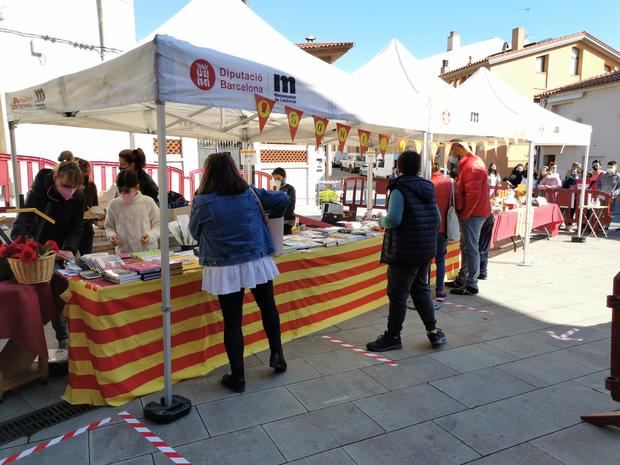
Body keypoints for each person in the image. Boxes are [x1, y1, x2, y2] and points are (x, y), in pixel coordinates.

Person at [190, 152, 290, 393]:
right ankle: (277, 355)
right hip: (256, 259)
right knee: (268, 307)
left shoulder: (203, 200)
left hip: (224, 265)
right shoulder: (250, 192)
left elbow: (194, 232)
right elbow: (282, 200)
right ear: (234, 169)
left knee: (232, 321)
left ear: (208, 173)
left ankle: (238, 376)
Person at [366, 151, 446, 352]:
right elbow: (437, 219)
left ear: (399, 167)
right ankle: (433, 332)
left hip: (404, 251)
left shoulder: (399, 189)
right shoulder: (428, 187)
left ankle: (393, 336)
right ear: (418, 168)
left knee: (398, 294)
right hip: (424, 249)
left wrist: (380, 221)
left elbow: (393, 220)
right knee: (421, 290)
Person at [11, 158, 85, 349]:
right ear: (55, 177)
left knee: (74, 287)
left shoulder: (77, 197)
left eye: (74, 187)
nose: (70, 191)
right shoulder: (39, 191)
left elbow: (76, 228)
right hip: (41, 247)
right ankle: (63, 338)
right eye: (66, 185)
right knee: (54, 290)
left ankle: (78, 334)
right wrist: (25, 244)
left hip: (64, 248)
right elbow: (25, 218)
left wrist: (69, 249)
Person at [446, 141, 491, 296]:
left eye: (452, 150)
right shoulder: (470, 163)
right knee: (466, 246)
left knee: (471, 248)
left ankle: (471, 284)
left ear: (459, 148)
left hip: (473, 213)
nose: (451, 154)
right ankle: (463, 277)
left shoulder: (472, 166)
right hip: (472, 212)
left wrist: (465, 214)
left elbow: (474, 195)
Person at [104, 170, 160, 254]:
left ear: (137, 187)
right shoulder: (114, 204)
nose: (123, 194)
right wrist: (112, 236)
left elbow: (159, 225)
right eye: (120, 191)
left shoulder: (148, 202)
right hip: (124, 254)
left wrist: (150, 236)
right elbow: (109, 226)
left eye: (127, 191)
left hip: (147, 253)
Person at [431, 163, 451, 301]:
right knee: (440, 259)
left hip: (426, 227)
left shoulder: (425, 181)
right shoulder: (449, 182)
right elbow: (458, 202)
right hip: (443, 225)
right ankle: (439, 290)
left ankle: (422, 289)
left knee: (424, 261)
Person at [76, 158, 99, 255]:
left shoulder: (91, 186)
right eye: (83, 172)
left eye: (86, 172)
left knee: (86, 262)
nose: (85, 175)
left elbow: (94, 207)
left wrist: (97, 216)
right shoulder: (70, 187)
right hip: (71, 232)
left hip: (87, 232)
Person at [271, 167, 296, 235]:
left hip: (288, 219)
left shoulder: (290, 188)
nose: (276, 180)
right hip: (277, 219)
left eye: (279, 178)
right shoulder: (273, 189)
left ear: (284, 177)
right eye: (274, 179)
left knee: (286, 236)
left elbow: (291, 203)